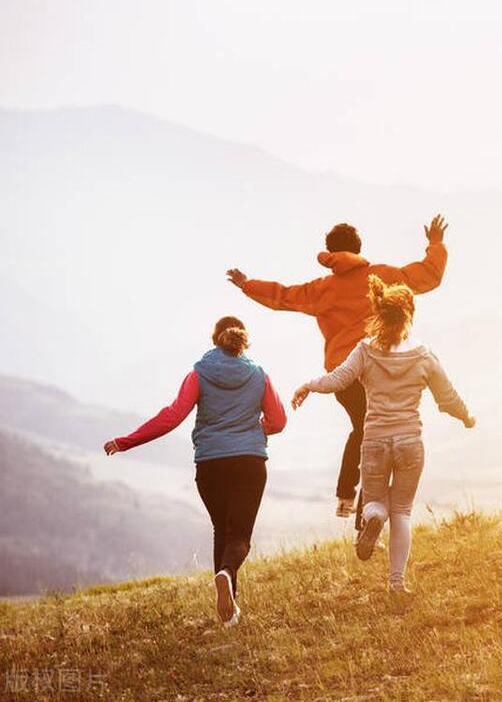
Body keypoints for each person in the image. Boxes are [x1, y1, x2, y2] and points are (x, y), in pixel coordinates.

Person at [226, 217, 448, 520]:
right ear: (359, 248)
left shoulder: (322, 289)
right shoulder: (381, 277)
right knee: (378, 434)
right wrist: (435, 244)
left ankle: (349, 499)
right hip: (380, 369)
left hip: (342, 375)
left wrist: (247, 285)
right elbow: (427, 276)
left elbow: (283, 296)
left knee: (364, 430)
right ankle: (362, 510)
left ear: (330, 253)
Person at [291, 276, 474, 593]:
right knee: (402, 511)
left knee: (376, 502)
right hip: (409, 442)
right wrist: (466, 417)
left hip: (375, 439)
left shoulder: (365, 351)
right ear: (409, 316)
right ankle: (396, 583)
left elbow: (337, 379)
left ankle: (373, 515)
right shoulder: (424, 356)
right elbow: (447, 398)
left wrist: (308, 385)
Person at [103, 316, 286, 627]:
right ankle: (226, 576)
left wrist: (125, 442)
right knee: (239, 536)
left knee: (221, 530)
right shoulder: (259, 375)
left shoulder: (199, 374)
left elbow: (172, 416)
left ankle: (229, 614)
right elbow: (279, 420)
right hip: (249, 463)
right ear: (244, 340)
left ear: (215, 339)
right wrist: (258, 430)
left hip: (210, 465)